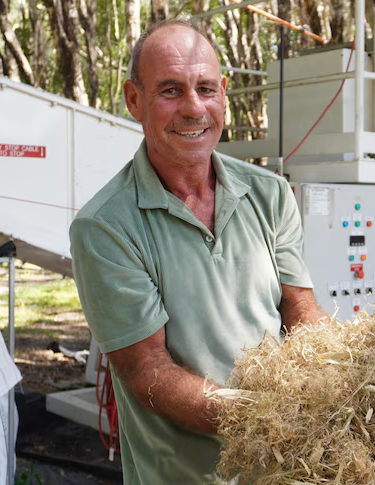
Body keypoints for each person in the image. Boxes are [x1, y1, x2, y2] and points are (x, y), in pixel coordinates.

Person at [69, 19, 326, 484]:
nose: (194, 108)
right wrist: (265, 418)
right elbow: (149, 372)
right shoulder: (106, 226)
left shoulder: (269, 195)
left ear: (224, 94)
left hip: (286, 469)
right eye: (170, 90)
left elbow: (300, 309)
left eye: (206, 88)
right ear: (134, 100)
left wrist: (339, 382)